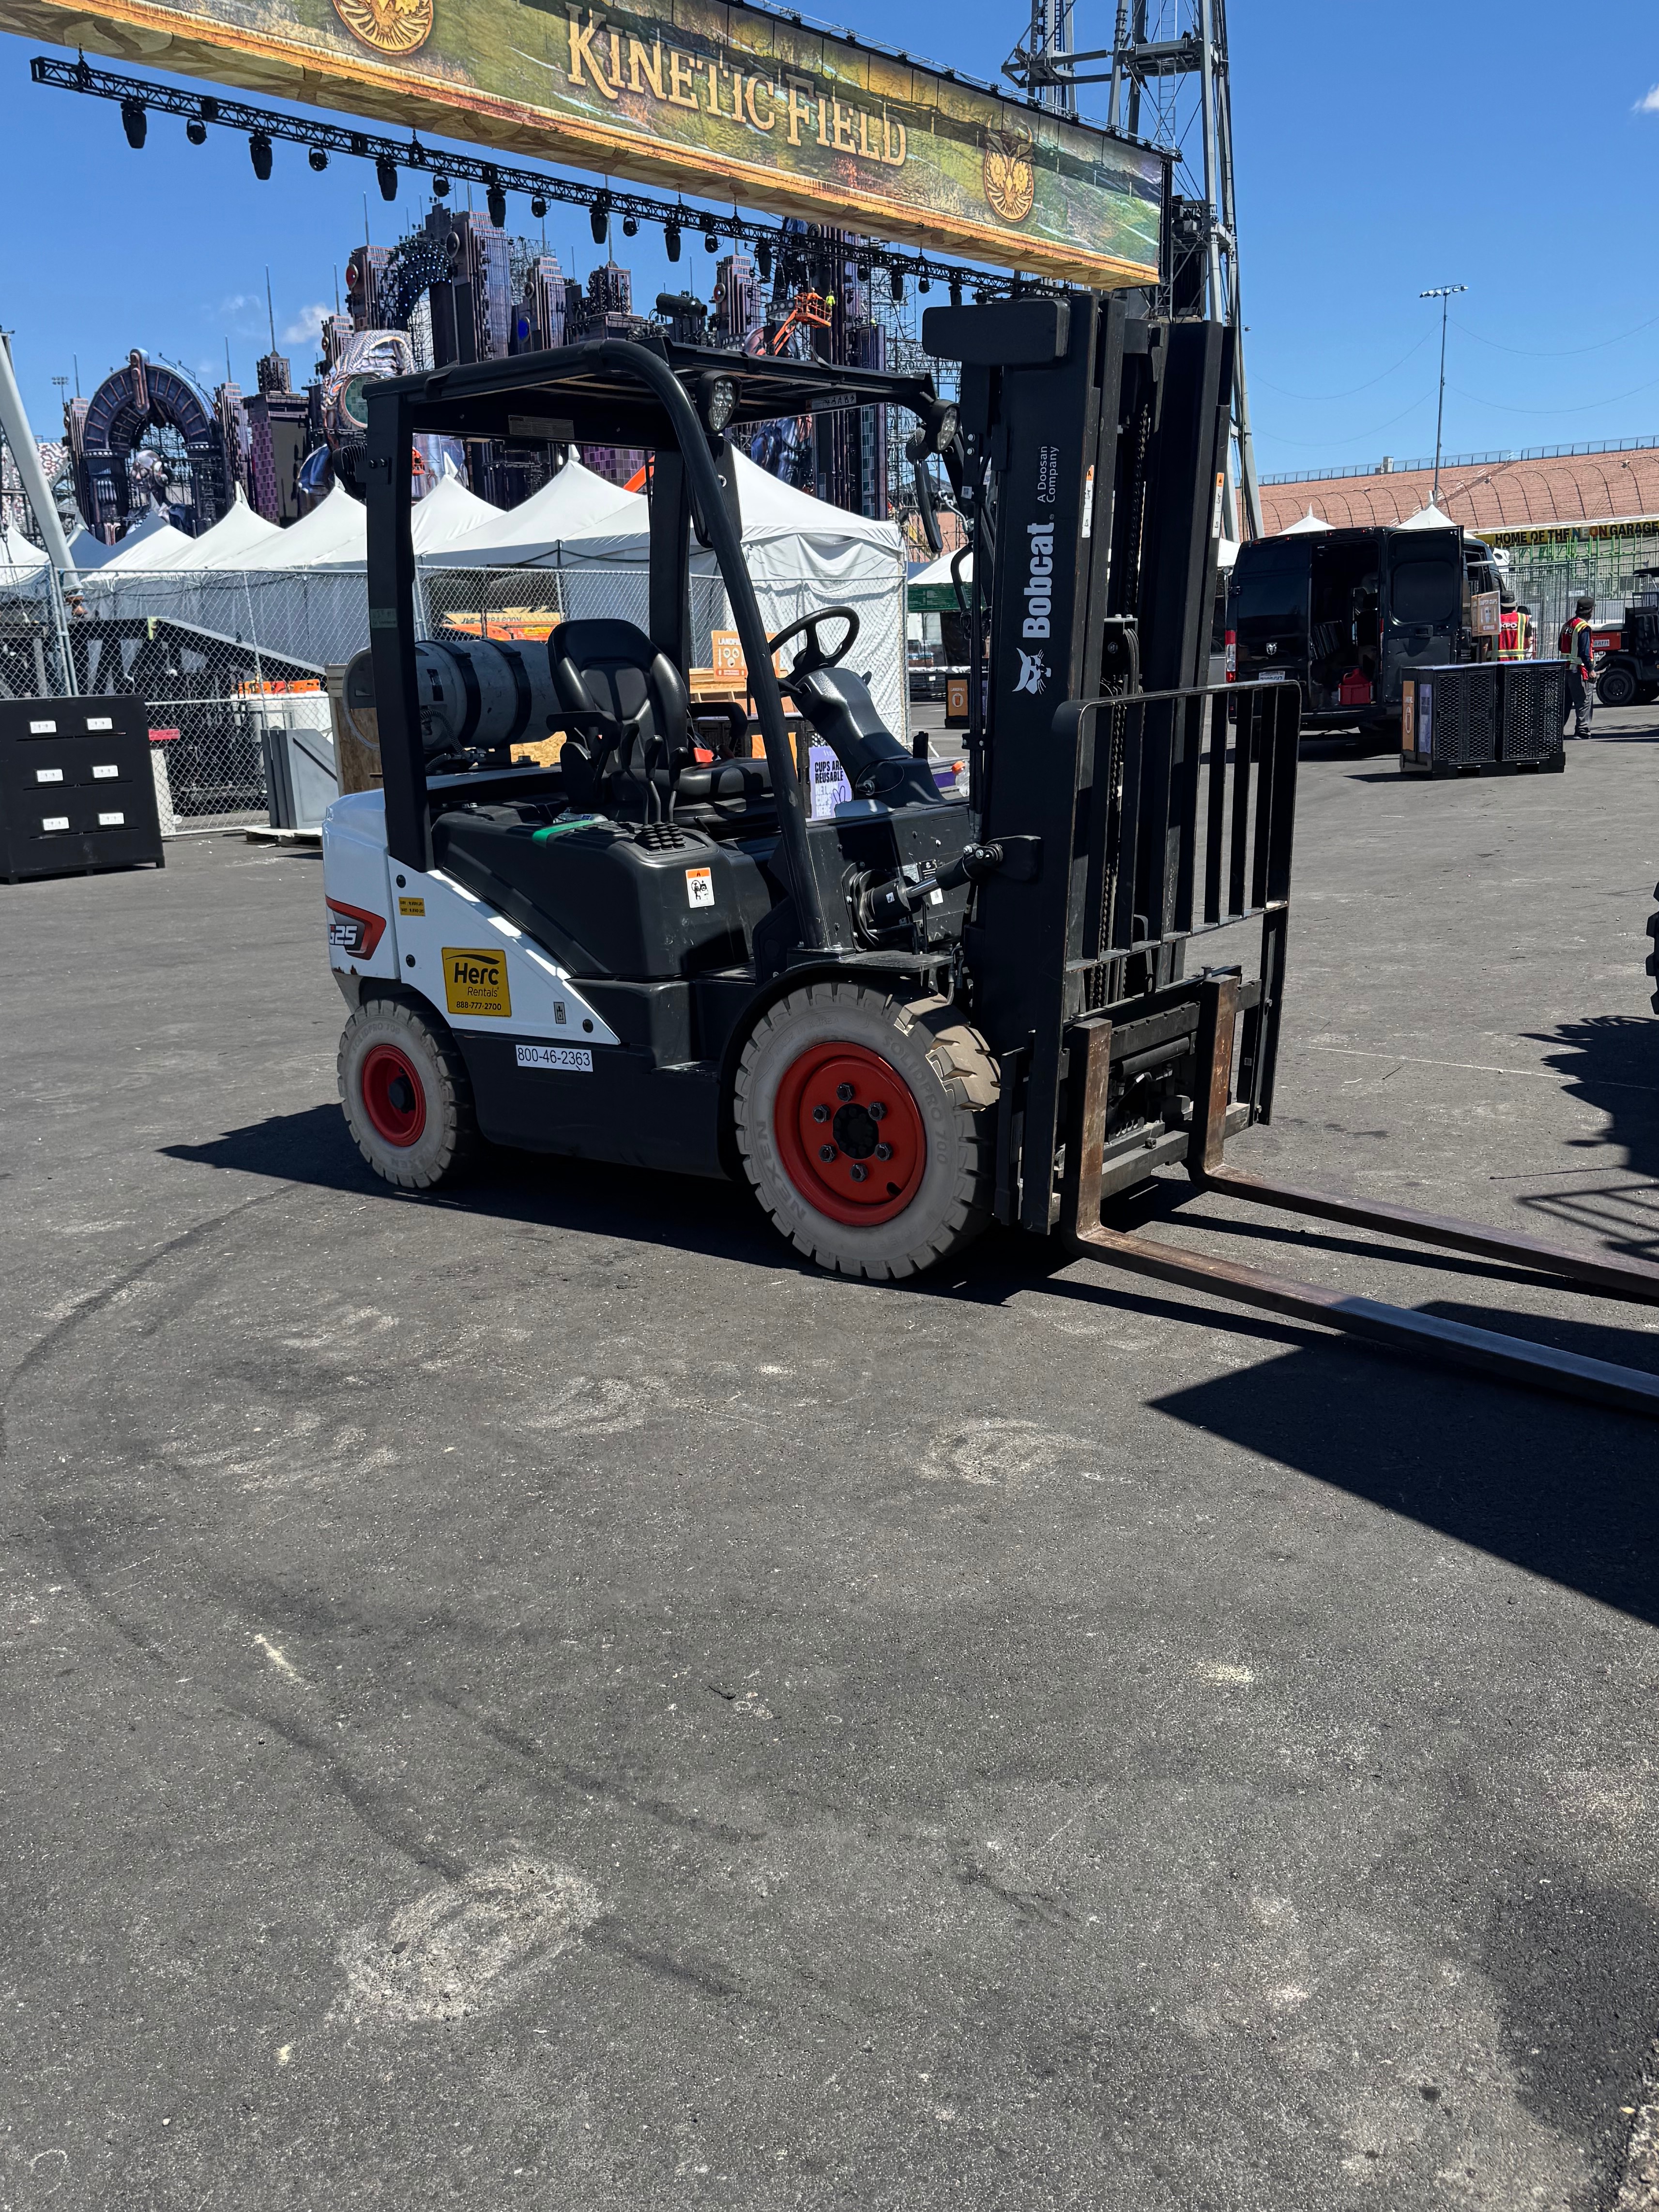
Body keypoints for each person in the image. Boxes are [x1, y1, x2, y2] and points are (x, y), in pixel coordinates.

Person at [1559, 594, 1596, 737]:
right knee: (1584, 701)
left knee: (1565, 704)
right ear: (1590, 611)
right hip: (1578, 671)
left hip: (1565, 670)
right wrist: (1591, 669)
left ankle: (1555, 732)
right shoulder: (1584, 627)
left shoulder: (1568, 625)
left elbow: (1560, 646)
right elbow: (1584, 652)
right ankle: (1582, 731)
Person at [1496, 590, 1532, 662]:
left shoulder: (1494, 619)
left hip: (1497, 663)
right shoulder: (1524, 618)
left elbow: (1485, 645)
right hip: (1518, 663)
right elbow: (1528, 644)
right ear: (1514, 605)